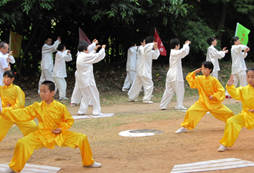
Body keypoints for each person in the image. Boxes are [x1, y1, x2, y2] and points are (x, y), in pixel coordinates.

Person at [1, 81, 101, 173]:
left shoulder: (60, 106)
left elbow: (69, 120)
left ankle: (88, 162)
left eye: (45, 91)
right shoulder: (37, 106)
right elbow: (22, 113)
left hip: (59, 135)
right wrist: (3, 111)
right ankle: (14, 168)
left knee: (82, 138)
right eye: (40, 91)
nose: (42, 94)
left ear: (52, 93)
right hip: (42, 135)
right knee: (22, 143)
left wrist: (61, 128)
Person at [175, 61, 234, 134]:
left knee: (228, 112)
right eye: (202, 68)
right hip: (202, 102)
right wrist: (194, 72)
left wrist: (214, 96)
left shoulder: (214, 80)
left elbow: (221, 90)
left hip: (214, 103)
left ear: (210, 70)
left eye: (205, 69)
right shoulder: (199, 79)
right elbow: (190, 79)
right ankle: (184, 127)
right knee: (191, 111)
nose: (203, 70)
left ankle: (232, 124)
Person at [218, 68, 254, 152]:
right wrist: (230, 86)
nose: (250, 79)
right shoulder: (244, 90)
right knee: (231, 121)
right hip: (246, 115)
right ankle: (225, 144)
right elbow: (235, 93)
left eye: (253, 77)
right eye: (248, 77)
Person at [0, 70, 38, 143]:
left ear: (12, 79)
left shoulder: (16, 89)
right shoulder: (1, 89)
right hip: (7, 115)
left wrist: (10, 109)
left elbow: (20, 103)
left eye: (7, 77)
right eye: (4, 77)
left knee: (32, 128)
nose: (4, 79)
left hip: (18, 114)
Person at [159, 38, 191, 110]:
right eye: (179, 45)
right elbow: (184, 51)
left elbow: (183, 52)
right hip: (175, 75)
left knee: (168, 91)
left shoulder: (174, 53)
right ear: (176, 46)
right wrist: (186, 44)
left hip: (171, 75)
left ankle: (163, 105)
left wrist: (185, 45)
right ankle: (179, 105)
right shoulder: (175, 53)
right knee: (180, 90)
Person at [76, 42, 106, 116]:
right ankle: (96, 111)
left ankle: (82, 111)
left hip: (82, 79)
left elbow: (90, 56)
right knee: (94, 94)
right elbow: (97, 57)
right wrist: (103, 49)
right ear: (84, 49)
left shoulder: (80, 55)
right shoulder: (84, 56)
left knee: (86, 95)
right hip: (87, 79)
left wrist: (94, 50)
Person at [128, 36, 160, 104]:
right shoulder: (141, 48)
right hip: (143, 70)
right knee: (149, 84)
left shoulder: (149, 51)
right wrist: (152, 44)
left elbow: (155, 56)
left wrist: (156, 49)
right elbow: (144, 50)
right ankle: (146, 99)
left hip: (143, 70)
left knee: (137, 84)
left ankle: (131, 97)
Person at [70, 39, 98, 106]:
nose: (88, 48)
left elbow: (89, 50)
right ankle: (90, 102)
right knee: (88, 87)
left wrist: (93, 44)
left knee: (78, 87)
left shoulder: (81, 53)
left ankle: (74, 101)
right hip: (84, 74)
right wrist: (94, 44)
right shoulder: (82, 55)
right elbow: (91, 51)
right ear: (83, 49)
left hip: (79, 73)